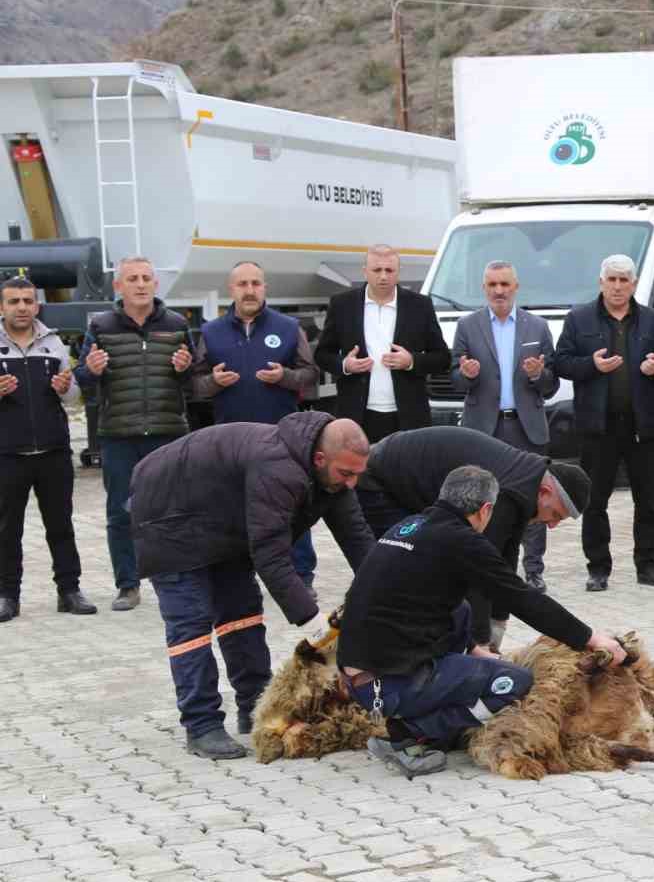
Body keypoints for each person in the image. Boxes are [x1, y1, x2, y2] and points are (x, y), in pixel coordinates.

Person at [338, 464, 626, 778]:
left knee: (460, 606)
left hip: (357, 676)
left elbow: (443, 604)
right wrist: (589, 638)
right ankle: (408, 734)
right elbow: (522, 598)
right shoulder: (461, 540)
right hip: (388, 686)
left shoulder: (410, 526)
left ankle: (423, 721)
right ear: (486, 509)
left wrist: (474, 648)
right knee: (513, 682)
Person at [129, 413, 376, 759]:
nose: (352, 483)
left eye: (357, 475)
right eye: (346, 474)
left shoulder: (332, 478)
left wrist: (386, 589)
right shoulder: (279, 468)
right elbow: (271, 558)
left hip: (221, 524)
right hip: (169, 517)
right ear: (320, 459)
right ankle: (202, 726)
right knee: (192, 625)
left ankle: (256, 709)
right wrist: (315, 625)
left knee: (242, 613)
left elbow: (357, 537)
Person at [355, 424, 589, 651]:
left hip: (410, 478)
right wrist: (480, 643)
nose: (553, 525)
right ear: (545, 492)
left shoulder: (525, 484)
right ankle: (386, 654)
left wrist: (498, 621)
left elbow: (505, 555)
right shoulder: (507, 495)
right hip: (381, 479)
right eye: (556, 514)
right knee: (405, 573)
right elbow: (479, 575)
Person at [74, 255, 194, 612]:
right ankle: (128, 585)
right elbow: (81, 378)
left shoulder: (175, 323)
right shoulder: (101, 326)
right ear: (118, 286)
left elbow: (195, 378)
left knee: (173, 510)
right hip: (119, 435)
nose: (140, 284)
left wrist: (185, 370)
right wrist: (90, 371)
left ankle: (177, 578)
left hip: (167, 431)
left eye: (146, 278)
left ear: (155, 284)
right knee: (120, 513)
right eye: (132, 278)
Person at [191, 261, 321, 588]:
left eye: (256, 283)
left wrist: (285, 377)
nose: (249, 290)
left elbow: (311, 375)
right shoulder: (210, 332)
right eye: (242, 284)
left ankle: (300, 576)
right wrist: (215, 382)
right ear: (230, 289)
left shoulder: (290, 328)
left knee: (291, 509)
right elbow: (193, 384)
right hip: (230, 440)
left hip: (281, 437)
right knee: (234, 512)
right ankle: (236, 578)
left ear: (265, 288)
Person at [553, 254, 654, 591]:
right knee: (594, 501)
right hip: (598, 426)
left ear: (634, 284)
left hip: (643, 425)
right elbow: (561, 362)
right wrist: (591, 365)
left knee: (647, 500)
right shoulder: (578, 320)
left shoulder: (652, 320)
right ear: (601, 283)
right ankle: (598, 568)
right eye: (612, 280)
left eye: (624, 280)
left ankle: (648, 565)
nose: (618, 286)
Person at [449, 259, 559, 586]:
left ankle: (534, 571)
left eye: (505, 284)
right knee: (480, 498)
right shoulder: (467, 326)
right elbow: (455, 378)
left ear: (516, 287)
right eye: (493, 285)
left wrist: (538, 375)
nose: (499, 291)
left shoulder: (537, 327)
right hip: (484, 429)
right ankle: (485, 567)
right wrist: (465, 375)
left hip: (526, 428)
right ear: (484, 288)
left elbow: (551, 383)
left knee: (534, 497)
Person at [0, 276, 87, 621]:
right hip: (7, 455)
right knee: (7, 530)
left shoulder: (53, 343)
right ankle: (8, 595)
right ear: (2, 306)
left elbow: (74, 396)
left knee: (61, 525)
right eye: (13, 301)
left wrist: (65, 386)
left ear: (36, 305)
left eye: (27, 300)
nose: (21, 307)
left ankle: (70, 591)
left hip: (53, 452)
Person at [314, 244, 449, 443]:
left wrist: (411, 361)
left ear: (398, 272)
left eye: (389, 270)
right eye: (377, 270)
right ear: (365, 271)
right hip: (357, 415)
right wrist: (345, 365)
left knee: (406, 473)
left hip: (408, 416)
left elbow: (443, 358)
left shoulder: (420, 305)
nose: (383, 276)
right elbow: (322, 355)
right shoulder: (342, 305)